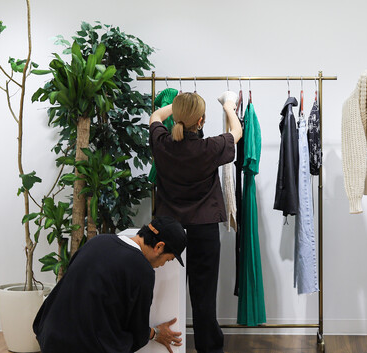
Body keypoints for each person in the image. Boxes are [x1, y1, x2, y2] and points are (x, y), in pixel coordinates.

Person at [149, 91, 242, 353]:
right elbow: (237, 131)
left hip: (167, 231)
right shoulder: (210, 147)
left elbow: (155, 116)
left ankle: (164, 346)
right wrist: (229, 105)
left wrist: (175, 106)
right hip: (203, 228)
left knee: (164, 293)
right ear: (201, 120)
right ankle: (209, 349)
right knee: (204, 297)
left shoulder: (162, 143)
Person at [33, 216, 186, 353]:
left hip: (50, 335)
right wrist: (156, 333)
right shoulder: (143, 270)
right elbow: (138, 330)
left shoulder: (98, 241)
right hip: (85, 346)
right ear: (159, 246)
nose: (162, 265)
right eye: (168, 259)